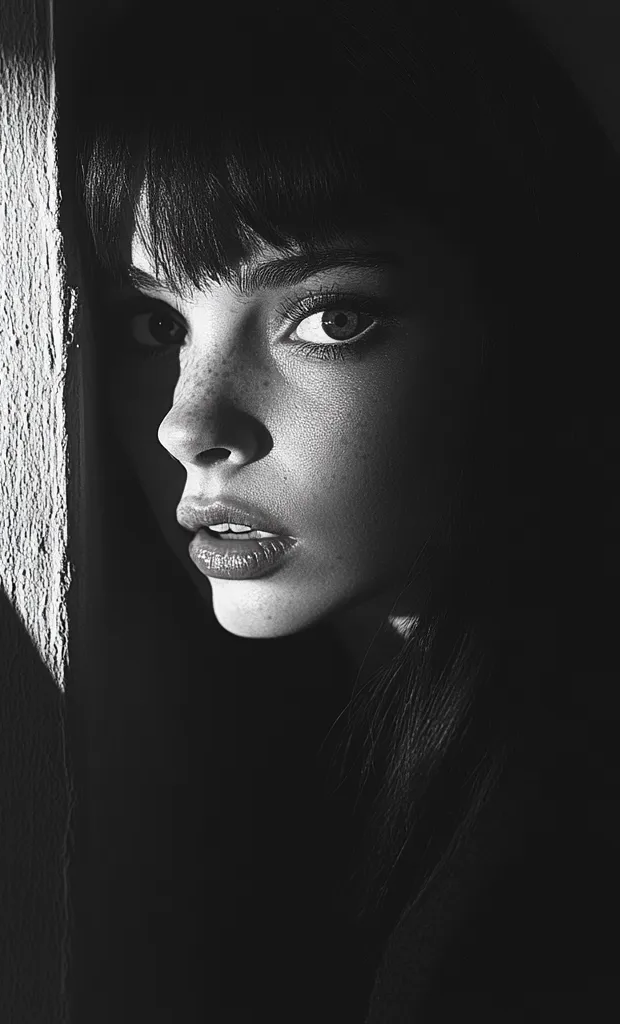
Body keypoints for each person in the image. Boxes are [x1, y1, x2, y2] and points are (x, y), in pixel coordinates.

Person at [63, 0, 620, 1019]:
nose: (189, 423)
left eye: (330, 316)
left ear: (529, 325)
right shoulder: (299, 784)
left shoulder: (562, 856)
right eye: (154, 321)